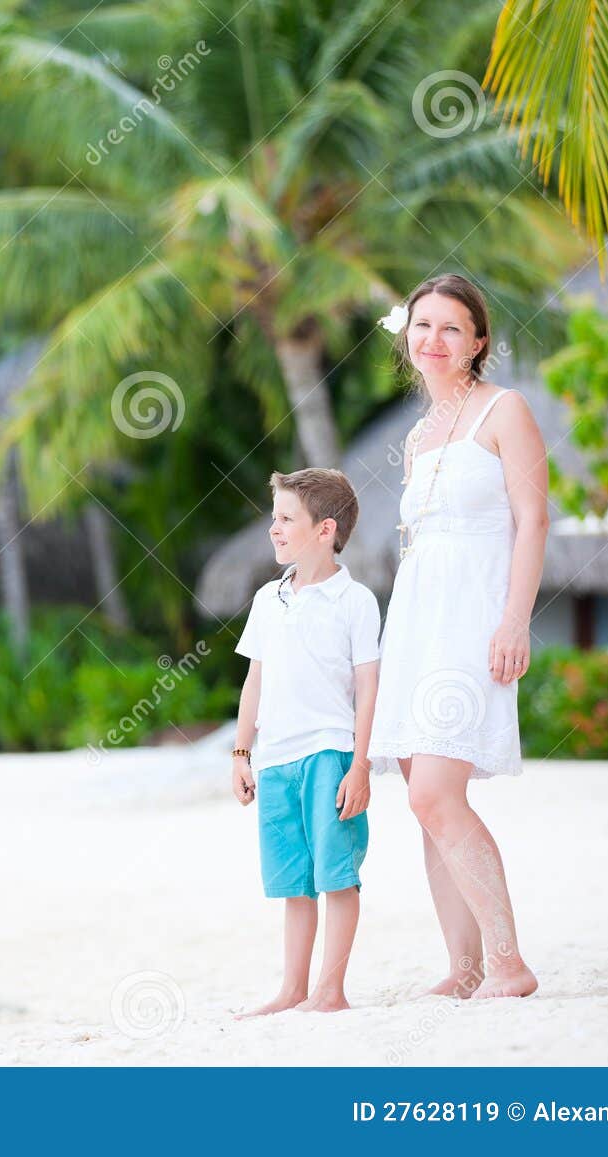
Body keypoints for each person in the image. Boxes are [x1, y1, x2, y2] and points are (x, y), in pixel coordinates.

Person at [366, 273, 548, 1000]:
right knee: (424, 802)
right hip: (417, 623)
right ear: (406, 337)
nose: (433, 340)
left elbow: (533, 520)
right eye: (422, 325)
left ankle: (508, 964)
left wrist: (514, 619)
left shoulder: (505, 410)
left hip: (474, 625)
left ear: (477, 341)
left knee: (439, 794)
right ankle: (465, 968)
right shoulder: (416, 437)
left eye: (451, 327)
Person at [231, 468, 382, 1016]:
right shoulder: (267, 599)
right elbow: (255, 681)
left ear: (325, 529)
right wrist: (241, 753)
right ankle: (293, 988)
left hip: (330, 754)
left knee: (337, 876)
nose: (273, 528)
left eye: (286, 518)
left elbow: (368, 689)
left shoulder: (355, 600)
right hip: (276, 760)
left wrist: (360, 766)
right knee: (294, 884)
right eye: (273, 517)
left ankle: (330, 991)